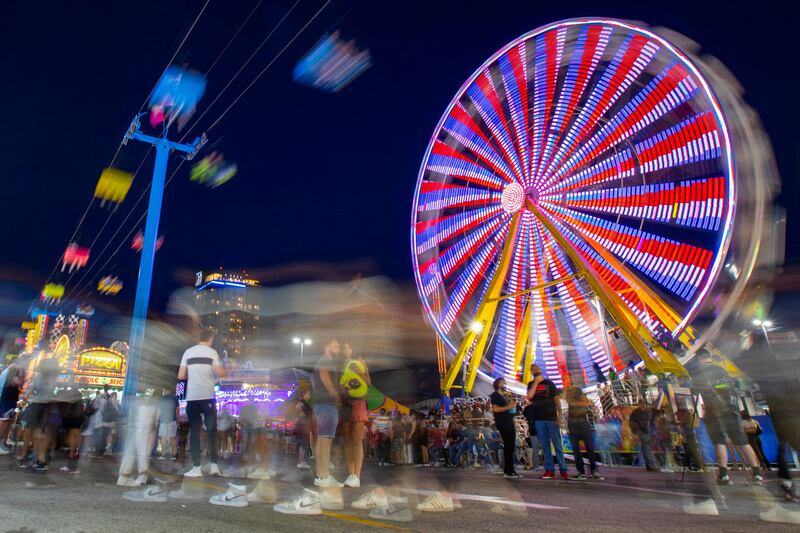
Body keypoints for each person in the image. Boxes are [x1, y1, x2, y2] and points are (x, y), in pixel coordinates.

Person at [693, 349, 762, 485]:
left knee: (720, 442)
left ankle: (724, 475)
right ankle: (757, 474)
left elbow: (698, 390)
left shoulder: (701, 374)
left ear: (700, 359)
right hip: (733, 410)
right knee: (744, 443)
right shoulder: (722, 370)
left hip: (716, 412)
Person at [178, 327, 225, 477]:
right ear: (210, 339)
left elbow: (181, 376)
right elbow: (219, 373)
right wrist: (227, 370)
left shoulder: (188, 352)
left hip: (192, 397)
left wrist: (194, 375)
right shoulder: (212, 353)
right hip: (208, 397)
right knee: (211, 431)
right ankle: (214, 466)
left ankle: (196, 468)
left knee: (194, 432)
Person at [527, 365, 568, 480]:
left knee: (557, 445)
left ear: (541, 370)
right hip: (538, 419)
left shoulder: (549, 383)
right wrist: (535, 382)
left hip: (551, 417)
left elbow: (556, 400)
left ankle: (563, 470)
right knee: (545, 446)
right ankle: (549, 470)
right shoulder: (531, 384)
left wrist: (559, 416)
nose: (534, 369)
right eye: (532, 368)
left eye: (536, 367)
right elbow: (529, 396)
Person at [311, 339, 343, 487]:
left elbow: (314, 381)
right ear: (327, 346)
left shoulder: (319, 361)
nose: (338, 348)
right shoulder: (326, 360)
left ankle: (320, 475)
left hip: (320, 404)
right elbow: (324, 376)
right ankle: (325, 476)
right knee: (326, 442)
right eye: (335, 345)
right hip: (327, 405)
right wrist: (335, 396)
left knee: (321, 441)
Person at [339, 342, 370, 487]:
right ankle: (350, 474)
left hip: (358, 402)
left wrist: (362, 370)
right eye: (344, 347)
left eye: (349, 347)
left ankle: (357, 476)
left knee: (357, 440)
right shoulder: (338, 364)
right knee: (347, 441)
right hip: (344, 404)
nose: (346, 350)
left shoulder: (359, 363)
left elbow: (368, 383)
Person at [564, 385, 602, 480]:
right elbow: (585, 403)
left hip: (577, 423)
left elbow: (584, 403)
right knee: (586, 449)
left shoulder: (574, 397)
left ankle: (584, 471)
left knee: (582, 450)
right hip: (578, 423)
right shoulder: (575, 397)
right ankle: (590, 471)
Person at [490, 377, 520, 479]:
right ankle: (508, 471)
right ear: (498, 384)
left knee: (510, 447)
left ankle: (510, 470)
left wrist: (511, 403)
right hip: (503, 423)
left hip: (508, 422)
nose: (505, 384)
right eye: (503, 382)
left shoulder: (504, 396)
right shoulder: (495, 395)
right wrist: (508, 407)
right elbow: (495, 409)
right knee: (509, 447)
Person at [0, 365, 23, 454]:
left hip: (10, 401)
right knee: (4, 422)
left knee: (8, 421)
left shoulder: (7, 372)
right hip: (7, 401)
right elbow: (18, 382)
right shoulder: (12, 373)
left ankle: (3, 442)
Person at [629, 403, 658, 471]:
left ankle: (649, 465)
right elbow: (633, 422)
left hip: (643, 431)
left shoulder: (643, 412)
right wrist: (636, 430)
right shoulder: (638, 413)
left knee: (645, 448)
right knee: (647, 448)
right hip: (642, 431)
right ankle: (652, 464)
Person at [293, 389, 313, 469]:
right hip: (302, 427)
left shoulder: (303, 403)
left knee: (303, 444)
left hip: (303, 426)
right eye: (308, 393)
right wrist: (300, 413)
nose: (309, 394)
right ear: (303, 394)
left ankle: (301, 461)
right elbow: (297, 408)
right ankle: (300, 462)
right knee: (303, 444)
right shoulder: (302, 402)